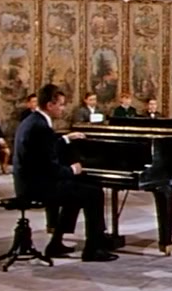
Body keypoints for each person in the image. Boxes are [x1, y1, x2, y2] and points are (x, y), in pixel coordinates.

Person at [13, 83, 118, 262]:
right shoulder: (41, 128)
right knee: (93, 193)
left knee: (79, 189)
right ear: (50, 105)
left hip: (27, 183)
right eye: (60, 104)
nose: (63, 108)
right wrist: (71, 170)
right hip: (38, 187)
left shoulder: (32, 121)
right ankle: (93, 249)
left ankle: (56, 243)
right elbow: (49, 168)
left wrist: (64, 139)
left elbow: (43, 149)